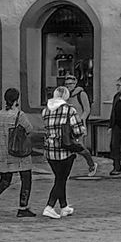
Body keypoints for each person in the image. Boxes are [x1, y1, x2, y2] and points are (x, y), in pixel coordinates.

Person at [0, 88, 40, 219]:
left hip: (3, 150)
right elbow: (29, 129)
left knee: (4, 180)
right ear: (16, 100)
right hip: (18, 151)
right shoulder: (19, 115)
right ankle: (23, 207)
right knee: (26, 178)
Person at [41, 81, 85, 218]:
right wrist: (79, 132)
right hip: (65, 149)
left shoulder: (45, 110)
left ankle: (64, 206)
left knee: (60, 177)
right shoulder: (69, 110)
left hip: (50, 149)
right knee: (61, 179)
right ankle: (49, 206)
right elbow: (77, 130)